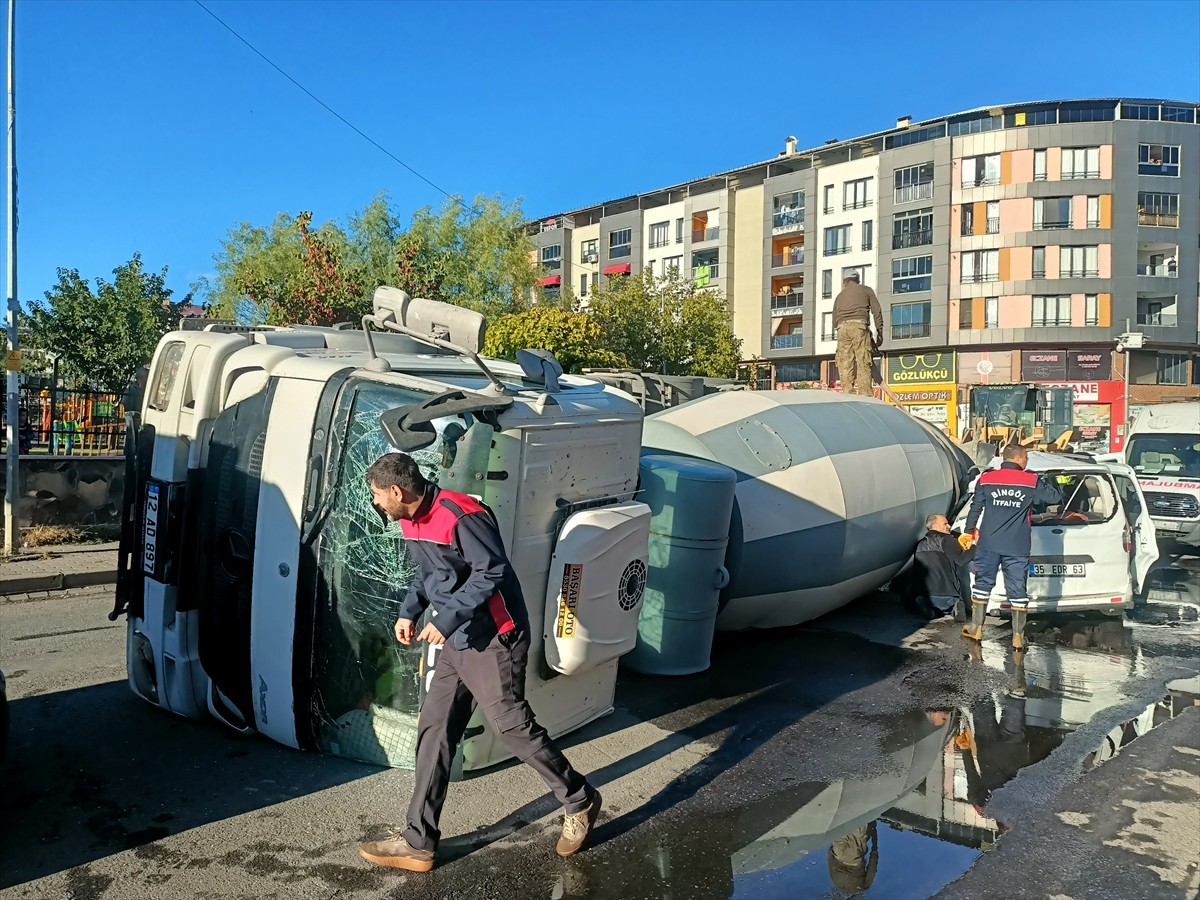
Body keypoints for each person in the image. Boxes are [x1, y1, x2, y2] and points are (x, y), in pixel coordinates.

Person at [357, 452, 601, 872]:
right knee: (435, 730)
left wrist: (447, 617)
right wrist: (409, 610)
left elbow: (492, 572)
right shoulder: (409, 519)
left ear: (397, 491)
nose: (377, 504)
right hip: (458, 641)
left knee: (512, 728)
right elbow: (428, 572)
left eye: (379, 495)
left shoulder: (462, 514)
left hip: (495, 639)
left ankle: (579, 799)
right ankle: (418, 841)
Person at [961, 445, 1061, 648]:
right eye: (1026, 458)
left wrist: (968, 531)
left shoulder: (987, 478)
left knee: (982, 585)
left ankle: (977, 629)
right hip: (1017, 546)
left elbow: (976, 507)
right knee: (1017, 589)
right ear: (1019, 458)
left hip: (988, 543)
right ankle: (1017, 637)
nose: (1027, 462)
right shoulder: (1031, 480)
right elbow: (1054, 498)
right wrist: (1046, 480)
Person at [911, 513, 974, 621]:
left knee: (930, 606)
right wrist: (975, 546)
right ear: (934, 526)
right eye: (945, 524)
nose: (949, 526)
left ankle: (930, 610)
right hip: (948, 595)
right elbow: (961, 560)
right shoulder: (946, 540)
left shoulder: (919, 544)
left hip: (925, 595)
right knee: (953, 605)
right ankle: (955, 607)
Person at [832, 272, 883, 397]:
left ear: (845, 282)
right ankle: (865, 394)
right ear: (858, 280)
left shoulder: (839, 296)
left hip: (842, 328)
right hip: (859, 326)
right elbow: (877, 311)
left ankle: (847, 393)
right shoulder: (866, 290)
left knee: (845, 361)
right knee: (863, 360)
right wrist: (879, 331)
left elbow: (834, 321)